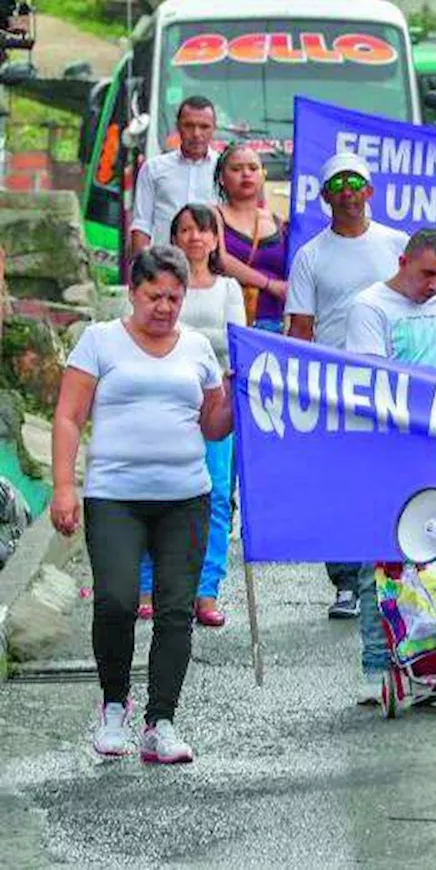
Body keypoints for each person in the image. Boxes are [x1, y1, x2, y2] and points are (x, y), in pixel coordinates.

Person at [50, 246, 234, 763]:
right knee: (116, 600)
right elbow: (68, 416)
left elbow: (212, 424)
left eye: (175, 297)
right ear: (133, 292)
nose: (165, 307)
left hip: (185, 498)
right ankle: (113, 707)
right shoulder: (100, 341)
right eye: (155, 296)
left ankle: (162, 722)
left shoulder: (198, 348)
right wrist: (65, 486)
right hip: (115, 496)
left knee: (176, 610)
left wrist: (236, 398)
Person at [345, 229, 436, 704]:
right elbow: (372, 386)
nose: (434, 284)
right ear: (402, 261)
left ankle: (433, 657)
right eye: (426, 274)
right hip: (385, 453)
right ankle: (378, 666)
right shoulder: (370, 308)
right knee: (378, 561)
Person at [287, 151, 410, 620]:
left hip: (391, 383)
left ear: (370, 191)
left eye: (355, 183)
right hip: (335, 385)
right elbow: (301, 328)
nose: (348, 193)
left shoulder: (396, 244)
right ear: (325, 196)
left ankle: (389, 575)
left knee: (386, 480)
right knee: (338, 484)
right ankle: (344, 582)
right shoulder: (310, 256)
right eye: (337, 184)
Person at [136, 204, 245, 629]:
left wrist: (185, 337)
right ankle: (147, 585)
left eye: (203, 230)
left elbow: (235, 341)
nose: (195, 238)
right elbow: (147, 328)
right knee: (152, 490)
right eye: (185, 230)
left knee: (217, 497)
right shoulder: (161, 288)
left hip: (215, 399)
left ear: (216, 239)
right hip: (163, 401)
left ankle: (206, 590)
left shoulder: (229, 288)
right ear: (173, 238)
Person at [213, 142, 290, 333]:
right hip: (227, 321)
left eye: (253, 168)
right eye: (237, 169)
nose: (246, 174)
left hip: (274, 323)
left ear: (263, 175)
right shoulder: (212, 216)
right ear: (222, 178)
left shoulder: (279, 222)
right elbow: (221, 260)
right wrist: (269, 285)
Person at [130, 96, 218, 255]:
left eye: (204, 127)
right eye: (189, 126)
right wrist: (142, 268)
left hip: (211, 266)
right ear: (177, 127)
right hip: (165, 265)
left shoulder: (224, 169)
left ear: (214, 129)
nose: (197, 134)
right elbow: (142, 224)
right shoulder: (153, 168)